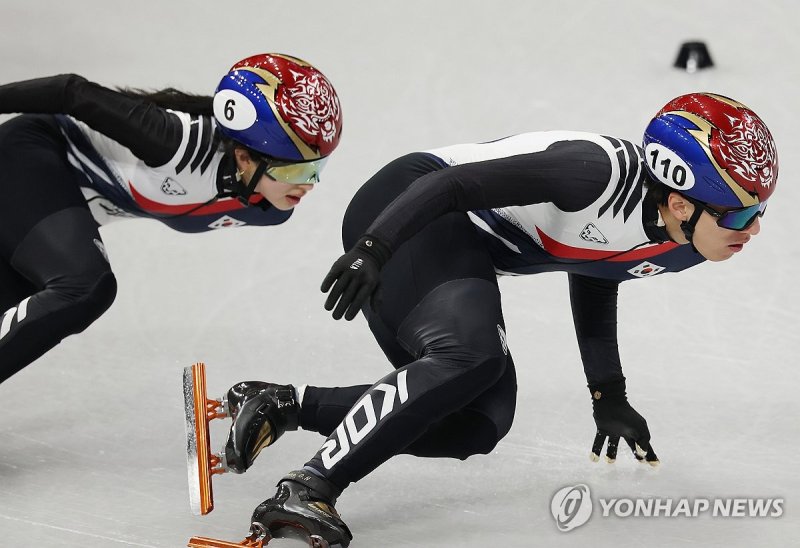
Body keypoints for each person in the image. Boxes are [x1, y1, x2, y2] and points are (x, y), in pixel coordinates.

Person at [190, 93, 777, 547]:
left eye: (760, 211)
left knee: (477, 423)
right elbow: (451, 184)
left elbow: (598, 274)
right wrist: (375, 248)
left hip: (458, 244)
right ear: (679, 202)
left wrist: (608, 394)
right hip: (409, 206)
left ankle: (281, 405)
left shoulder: (686, 244)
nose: (752, 229)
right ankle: (309, 487)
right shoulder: (592, 173)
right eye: (740, 214)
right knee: (470, 356)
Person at [0, 53, 342, 384]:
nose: (309, 184)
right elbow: (69, 91)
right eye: (294, 170)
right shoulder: (177, 143)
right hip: (29, 157)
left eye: (317, 167)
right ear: (243, 158)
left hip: (51, 208)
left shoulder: (267, 208)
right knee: (84, 286)